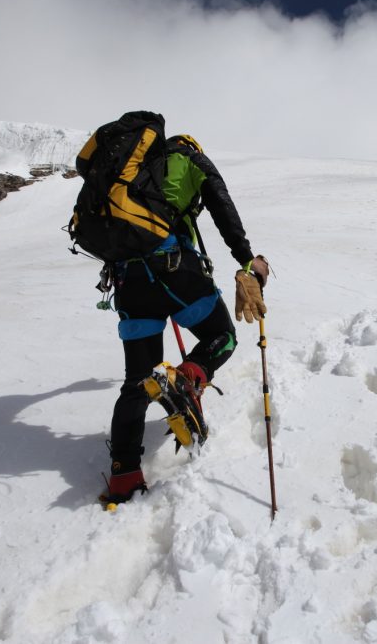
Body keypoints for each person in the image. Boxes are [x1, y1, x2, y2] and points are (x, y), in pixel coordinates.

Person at [103, 133, 270, 505]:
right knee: (222, 336)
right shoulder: (189, 159)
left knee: (138, 382)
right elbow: (221, 203)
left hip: (128, 283)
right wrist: (247, 260)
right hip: (174, 270)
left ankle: (123, 477)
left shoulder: (128, 176)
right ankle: (187, 380)